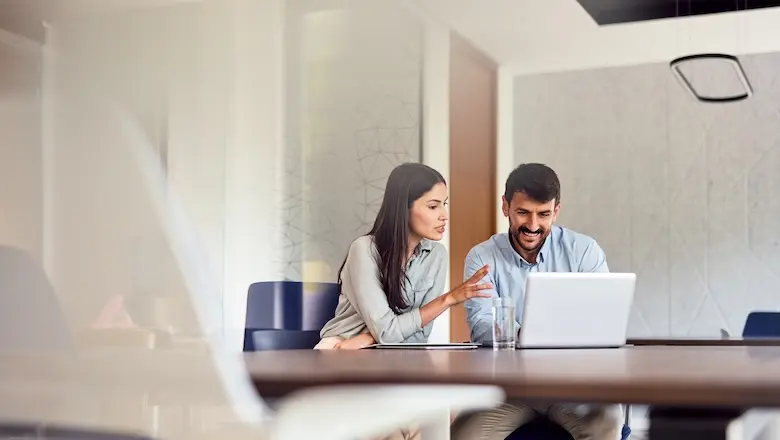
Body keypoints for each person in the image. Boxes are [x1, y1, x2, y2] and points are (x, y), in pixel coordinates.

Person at [452, 163, 620, 440]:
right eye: (523, 213)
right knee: (465, 433)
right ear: (505, 207)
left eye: (543, 214)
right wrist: (528, 335)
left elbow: (601, 322)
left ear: (556, 211)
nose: (532, 225)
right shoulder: (482, 258)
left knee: (607, 425)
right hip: (510, 390)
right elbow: (481, 324)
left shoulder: (584, 251)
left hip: (574, 387)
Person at [316, 162, 492, 351]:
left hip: (394, 351)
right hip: (342, 349)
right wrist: (448, 299)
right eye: (433, 206)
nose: (444, 215)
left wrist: (369, 338)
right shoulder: (364, 249)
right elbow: (386, 332)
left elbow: (420, 336)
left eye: (444, 204)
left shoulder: (437, 255)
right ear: (403, 208)